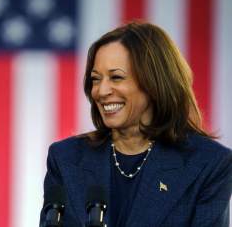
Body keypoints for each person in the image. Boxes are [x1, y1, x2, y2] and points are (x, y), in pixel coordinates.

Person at [40, 22, 232, 227]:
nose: (101, 91)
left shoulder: (208, 164)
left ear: (154, 82)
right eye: (96, 79)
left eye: (116, 77)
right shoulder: (65, 158)